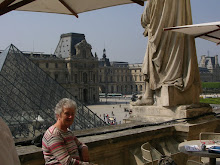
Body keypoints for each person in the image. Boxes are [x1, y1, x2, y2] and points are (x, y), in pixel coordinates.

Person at [131, 0, 201, 106]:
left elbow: (147, 16)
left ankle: (148, 96)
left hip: (162, 30)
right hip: (179, 33)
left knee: (152, 57)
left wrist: (144, 20)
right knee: (177, 49)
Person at [42, 98, 93, 165]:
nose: (70, 117)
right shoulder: (54, 135)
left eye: (72, 114)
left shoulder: (67, 132)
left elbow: (79, 144)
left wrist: (84, 148)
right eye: (67, 113)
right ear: (58, 115)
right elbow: (67, 162)